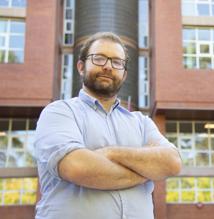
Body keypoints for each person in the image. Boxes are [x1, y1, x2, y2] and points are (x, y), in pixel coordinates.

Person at [34, 32, 182, 219]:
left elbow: (172, 162)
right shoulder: (59, 112)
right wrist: (146, 171)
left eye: (116, 62)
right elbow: (77, 167)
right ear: (81, 66)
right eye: (99, 58)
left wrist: (110, 153)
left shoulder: (141, 122)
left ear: (124, 73)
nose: (108, 66)